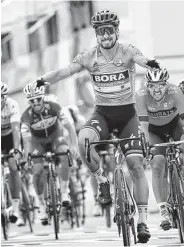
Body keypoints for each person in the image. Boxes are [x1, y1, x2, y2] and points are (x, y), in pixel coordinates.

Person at [33, 10, 162, 243]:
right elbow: (67, 72)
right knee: (83, 139)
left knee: (135, 165)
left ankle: (142, 220)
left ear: (116, 32)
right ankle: (102, 181)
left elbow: (142, 59)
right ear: (96, 34)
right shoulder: (89, 56)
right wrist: (45, 79)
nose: (105, 36)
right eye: (101, 32)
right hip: (102, 114)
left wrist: (150, 64)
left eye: (109, 31)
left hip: (127, 116)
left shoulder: (128, 51)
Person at [21, 83, 78, 224]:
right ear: (28, 102)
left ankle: (64, 193)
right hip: (37, 142)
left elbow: (70, 127)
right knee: (38, 170)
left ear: (43, 98)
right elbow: (26, 140)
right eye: (32, 100)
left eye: (38, 99)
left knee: (65, 154)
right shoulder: (26, 116)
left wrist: (74, 145)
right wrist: (27, 155)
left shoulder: (54, 107)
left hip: (55, 138)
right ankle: (40, 204)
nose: (35, 103)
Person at [135, 68, 184, 230]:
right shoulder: (141, 95)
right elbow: (143, 125)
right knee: (158, 164)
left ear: (167, 84)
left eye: (161, 85)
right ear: (146, 85)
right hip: (154, 131)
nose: (157, 89)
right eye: (152, 85)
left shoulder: (175, 91)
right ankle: (164, 210)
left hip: (175, 126)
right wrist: (147, 146)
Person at [1, 82, 23, 225]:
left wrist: (16, 149)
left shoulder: (11, 104)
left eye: (0, 97)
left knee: (13, 167)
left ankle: (16, 210)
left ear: (5, 97)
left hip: (10, 138)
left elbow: (16, 129)